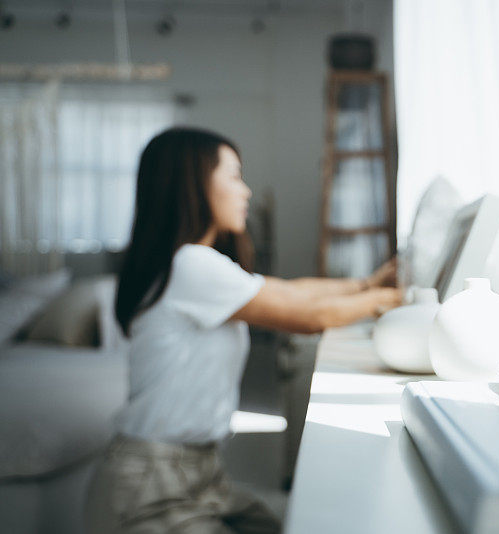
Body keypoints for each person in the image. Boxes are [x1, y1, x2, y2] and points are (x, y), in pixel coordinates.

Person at [84, 127, 402, 533]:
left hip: (196, 473)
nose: (246, 191)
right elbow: (307, 317)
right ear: (194, 187)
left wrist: (367, 285)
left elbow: (289, 291)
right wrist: (395, 299)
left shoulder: (192, 263)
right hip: (151, 486)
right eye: (234, 176)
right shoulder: (191, 265)